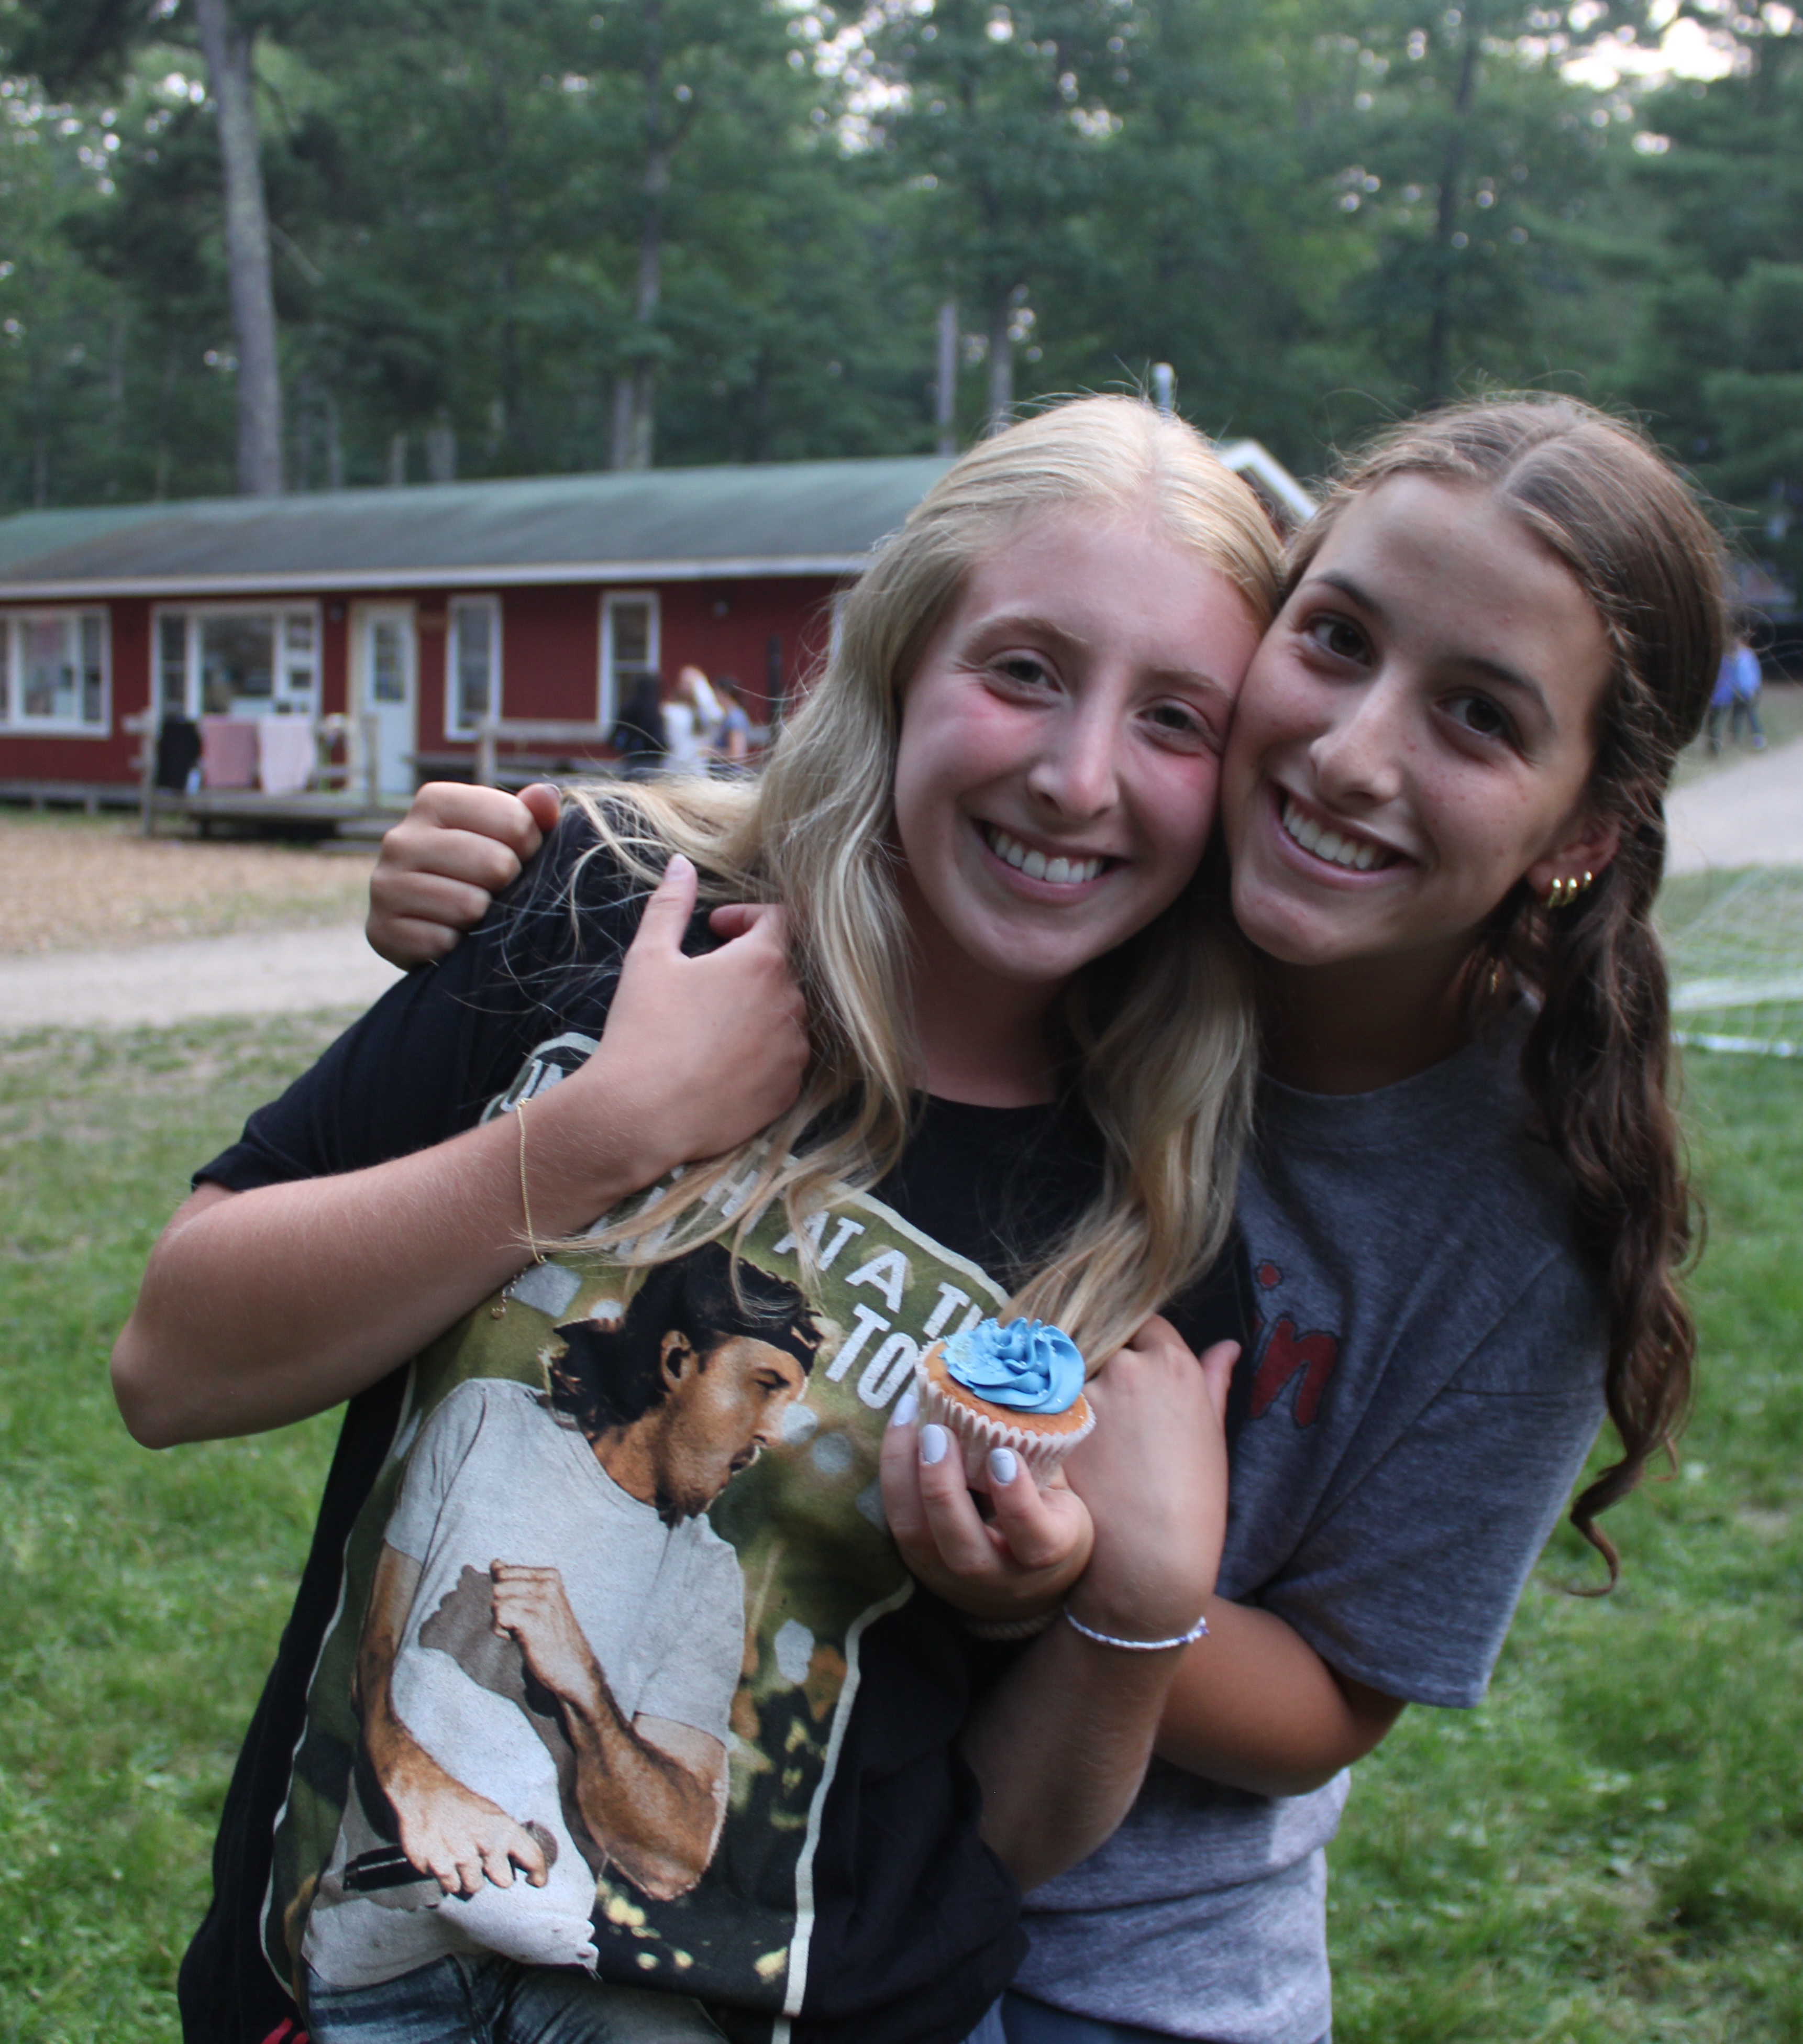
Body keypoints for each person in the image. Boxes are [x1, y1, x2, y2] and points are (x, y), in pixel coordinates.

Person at [375, 396, 1725, 2044]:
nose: (1351, 752)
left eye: (1478, 715)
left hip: (1119, 1961)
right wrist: (508, 865)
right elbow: (841, 829)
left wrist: (1089, 1588)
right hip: (759, 1880)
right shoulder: (1082, 882)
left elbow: (1333, 1697)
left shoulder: (1528, 1211)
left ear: (1582, 829)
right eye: (1336, 639)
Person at [113, 396, 1279, 2044]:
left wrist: (1128, 1604)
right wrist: (601, 1129)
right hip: (347, 1981)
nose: (1076, 774)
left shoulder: (1146, 1219)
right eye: (1021, 669)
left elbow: (996, 1844)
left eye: (1174, 718)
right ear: (896, 662)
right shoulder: (601, 912)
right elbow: (169, 1362)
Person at [1706, 634, 1765, 754]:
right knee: (1737, 717)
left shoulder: (1747, 656)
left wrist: (1753, 689)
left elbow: (1753, 674)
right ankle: (1735, 740)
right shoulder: (1731, 658)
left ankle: (1758, 740)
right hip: (1737, 692)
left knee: (1751, 715)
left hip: (1748, 690)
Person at [610, 671, 668, 780]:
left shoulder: (628, 708)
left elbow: (615, 735)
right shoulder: (655, 711)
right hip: (652, 761)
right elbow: (658, 739)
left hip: (631, 759)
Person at [707, 677, 754, 774]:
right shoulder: (729, 716)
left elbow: (737, 755)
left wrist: (711, 752)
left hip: (730, 775)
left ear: (724, 694)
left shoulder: (735, 718)